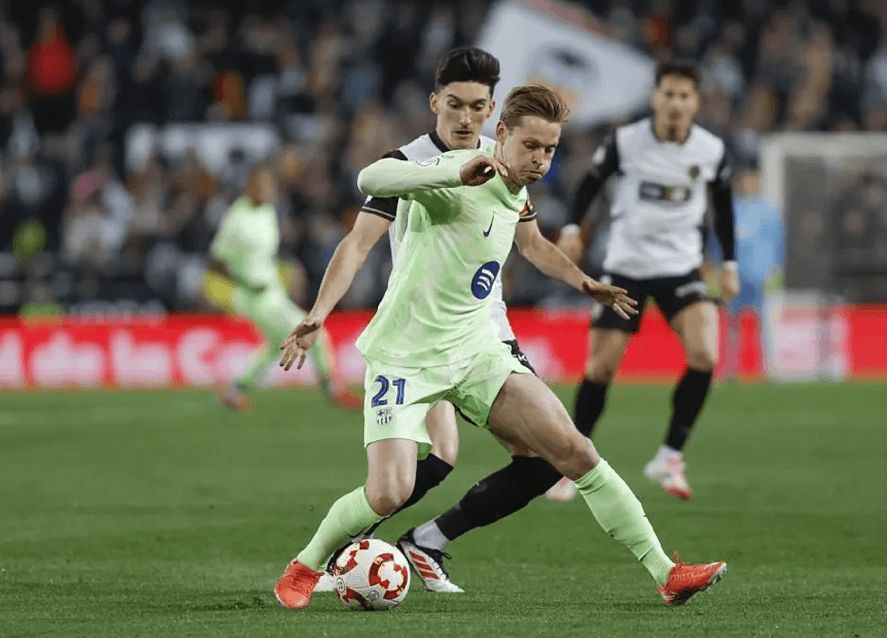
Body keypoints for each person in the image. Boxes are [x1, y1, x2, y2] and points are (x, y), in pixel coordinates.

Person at [273, 84, 727, 610]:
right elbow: (368, 178)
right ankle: (306, 565)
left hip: (477, 350)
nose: (540, 160)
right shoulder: (458, 173)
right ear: (502, 134)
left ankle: (667, 573)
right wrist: (448, 172)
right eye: (531, 146)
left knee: (574, 450)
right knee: (389, 492)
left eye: (550, 150)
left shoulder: (517, 191)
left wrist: (585, 283)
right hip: (406, 356)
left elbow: (534, 245)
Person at [550, 60, 738, 502]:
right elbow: (589, 184)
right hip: (627, 267)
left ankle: (669, 456)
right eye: (668, 94)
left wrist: (729, 262)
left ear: (696, 103)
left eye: (684, 96)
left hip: (681, 267)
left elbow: (724, 207)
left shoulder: (711, 150)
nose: (675, 103)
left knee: (705, 354)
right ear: (656, 97)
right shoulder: (626, 141)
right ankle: (571, 464)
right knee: (601, 367)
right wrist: (574, 229)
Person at [208, 165, 359, 411]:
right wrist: (245, 280)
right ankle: (333, 389)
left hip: (272, 291)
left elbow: (263, 254)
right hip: (256, 295)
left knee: (275, 344)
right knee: (314, 333)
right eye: (263, 186)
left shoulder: (267, 211)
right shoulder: (237, 218)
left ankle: (235, 390)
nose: (269, 191)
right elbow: (216, 260)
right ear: (250, 187)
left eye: (271, 186)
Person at [708, 167, 783, 380]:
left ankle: (770, 367)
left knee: (766, 323)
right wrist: (716, 267)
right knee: (731, 324)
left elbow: (778, 243)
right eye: (745, 179)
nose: (748, 183)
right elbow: (717, 243)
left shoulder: (769, 210)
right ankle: (730, 367)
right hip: (735, 275)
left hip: (761, 275)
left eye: (753, 179)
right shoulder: (729, 210)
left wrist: (777, 268)